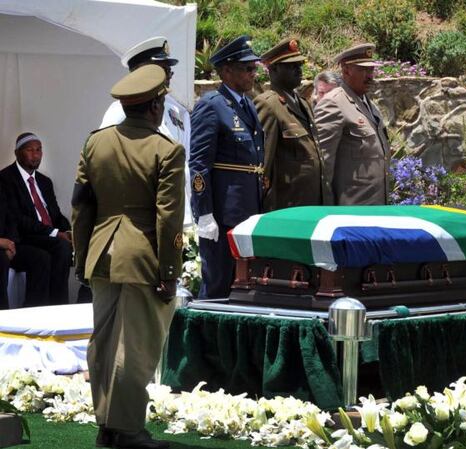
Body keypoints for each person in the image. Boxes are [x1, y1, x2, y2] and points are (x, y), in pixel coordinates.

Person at [72, 64, 183, 449]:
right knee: (135, 349)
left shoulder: (95, 143)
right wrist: (170, 271)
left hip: (101, 255)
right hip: (142, 258)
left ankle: (107, 425)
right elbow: (168, 219)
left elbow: (81, 208)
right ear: (155, 106)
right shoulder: (166, 150)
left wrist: (81, 258)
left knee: (103, 345)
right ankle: (128, 430)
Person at [189, 35, 264, 299]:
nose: (253, 74)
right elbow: (198, 164)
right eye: (247, 68)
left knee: (243, 286)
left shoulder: (247, 105)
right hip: (223, 215)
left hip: (248, 212)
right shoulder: (212, 106)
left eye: (254, 68)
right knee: (218, 285)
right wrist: (205, 213)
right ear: (226, 70)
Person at [99, 36, 192, 226]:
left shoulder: (177, 111)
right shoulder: (119, 111)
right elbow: (108, 164)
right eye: (161, 69)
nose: (167, 76)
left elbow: (186, 163)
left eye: (168, 70)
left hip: (181, 213)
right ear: (139, 73)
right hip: (142, 218)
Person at [0, 133, 72, 306]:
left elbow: (55, 214)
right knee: (55, 248)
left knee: (66, 246)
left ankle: (57, 307)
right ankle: (43, 309)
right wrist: (55, 233)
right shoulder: (5, 179)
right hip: (23, 236)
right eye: (30, 150)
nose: (36, 154)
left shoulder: (44, 181)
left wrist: (69, 230)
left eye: (39, 150)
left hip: (44, 236)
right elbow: (17, 218)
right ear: (17, 153)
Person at [315, 43, 391, 205]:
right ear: (346, 70)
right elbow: (323, 165)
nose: (370, 75)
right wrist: (327, 210)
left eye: (371, 70)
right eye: (363, 70)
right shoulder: (333, 103)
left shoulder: (370, 105)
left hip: (376, 206)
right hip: (351, 209)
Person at [254, 38, 324, 210]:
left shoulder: (302, 103)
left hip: (311, 199)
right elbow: (264, 162)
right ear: (274, 69)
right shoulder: (269, 104)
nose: (298, 70)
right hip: (287, 202)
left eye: (299, 65)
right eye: (291, 66)